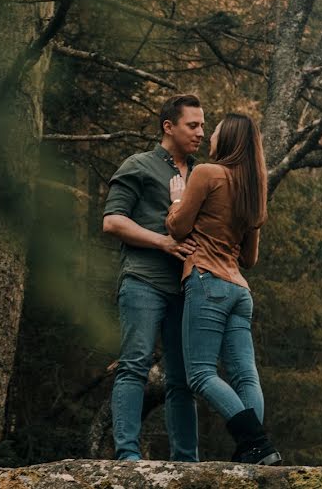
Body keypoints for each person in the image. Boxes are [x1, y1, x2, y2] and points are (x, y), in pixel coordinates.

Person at [165, 113, 281, 465]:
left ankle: (256, 442)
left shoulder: (207, 173)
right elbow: (250, 257)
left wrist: (176, 200)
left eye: (213, 131)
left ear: (227, 139)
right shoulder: (253, 188)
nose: (209, 136)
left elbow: (178, 228)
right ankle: (254, 454)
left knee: (199, 374)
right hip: (239, 291)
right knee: (246, 375)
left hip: (207, 280)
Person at [102, 94, 205, 462]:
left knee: (183, 378)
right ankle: (128, 457)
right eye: (192, 125)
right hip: (142, 282)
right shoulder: (139, 165)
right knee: (135, 364)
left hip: (188, 290)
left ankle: (186, 462)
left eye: (202, 126)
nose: (200, 133)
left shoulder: (201, 173)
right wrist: (162, 241)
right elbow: (112, 221)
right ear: (168, 126)